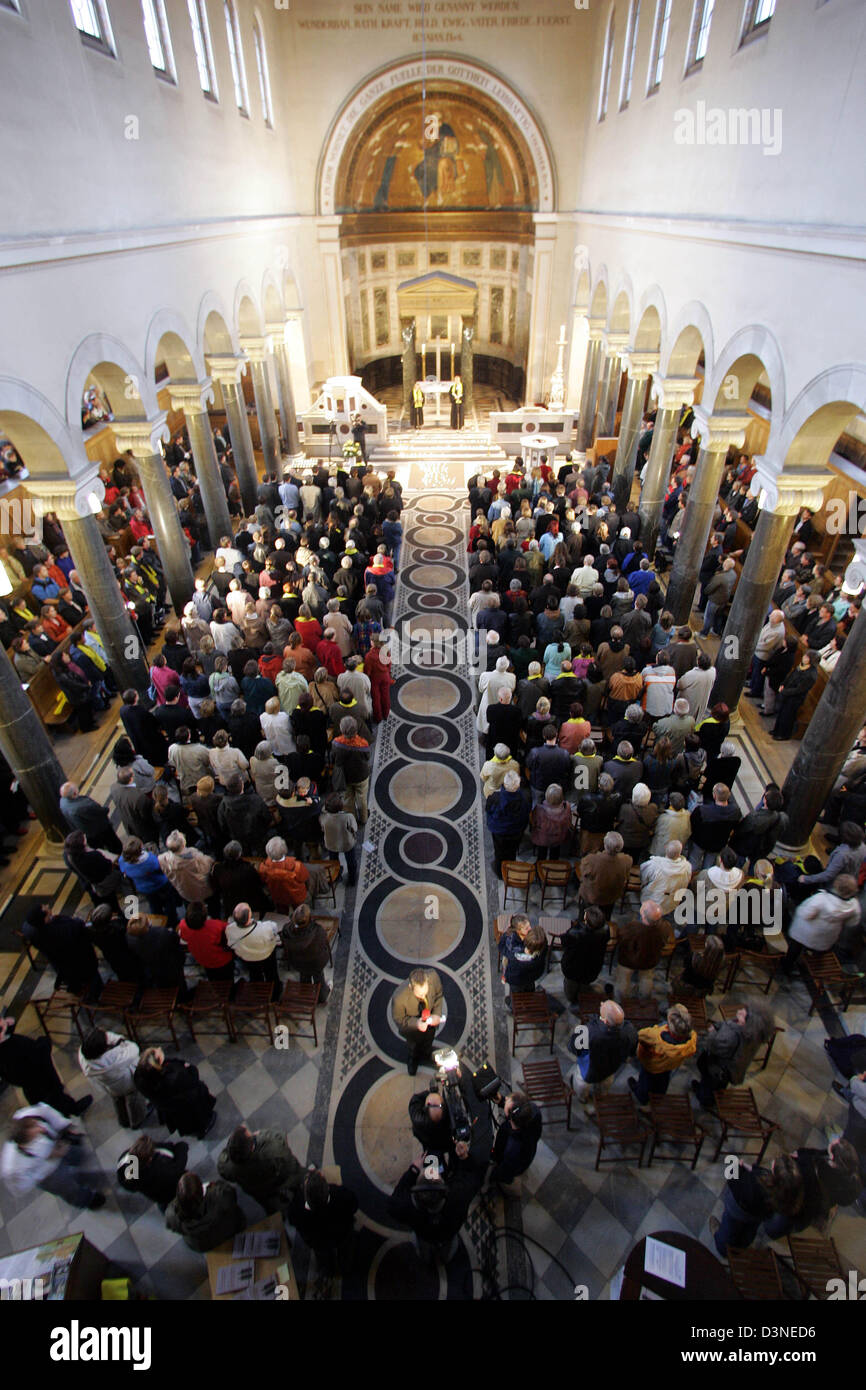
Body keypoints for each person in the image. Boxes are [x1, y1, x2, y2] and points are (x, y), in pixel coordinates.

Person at [1, 1104, 105, 1209]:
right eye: (35, 1135)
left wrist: (65, 1127)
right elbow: (21, 1187)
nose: (41, 1129)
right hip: (49, 1175)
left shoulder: (30, 1114)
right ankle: (87, 1200)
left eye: (36, 1124)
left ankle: (81, 1176)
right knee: (68, 1189)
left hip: (60, 1146)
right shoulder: (11, 1168)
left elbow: (48, 1112)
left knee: (79, 1157)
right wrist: (48, 1159)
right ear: (23, 1143)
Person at [388, 1146, 480, 1264]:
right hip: (447, 1235)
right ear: (444, 1190)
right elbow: (473, 1177)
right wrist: (464, 1159)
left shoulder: (407, 1207)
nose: (433, 1172)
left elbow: (391, 1205)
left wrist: (413, 1171)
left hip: (425, 1236)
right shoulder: (458, 1197)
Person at [710, 1155, 804, 1257]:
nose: (772, 1163)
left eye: (774, 1164)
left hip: (739, 1210)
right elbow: (762, 1173)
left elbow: (734, 1183)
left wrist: (736, 1167)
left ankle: (722, 1248)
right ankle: (742, 1245)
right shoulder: (785, 1196)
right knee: (749, 1230)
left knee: (729, 1229)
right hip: (759, 1215)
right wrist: (753, 1169)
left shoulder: (753, 1185)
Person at [0, 1014, 91, 1117]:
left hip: (33, 1083)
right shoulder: (10, 1052)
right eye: (3, 1024)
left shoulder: (4, 1043)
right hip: (39, 1079)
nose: (5, 1021)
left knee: (50, 1100)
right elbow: (38, 1057)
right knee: (56, 1097)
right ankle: (72, 1110)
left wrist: (10, 1026)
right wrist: (44, 1042)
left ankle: (65, 1111)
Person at [691, 1003, 775, 1107]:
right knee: (719, 1085)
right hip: (733, 1069)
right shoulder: (754, 1034)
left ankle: (704, 1099)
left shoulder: (732, 1036)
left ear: (746, 1022)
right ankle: (713, 1095)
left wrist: (713, 1032)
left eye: (742, 1014)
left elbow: (713, 1046)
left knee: (708, 1084)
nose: (739, 1011)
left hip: (718, 1068)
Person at [781, 874, 861, 974]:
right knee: (817, 952)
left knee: (794, 949)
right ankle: (809, 968)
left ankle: (787, 967)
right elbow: (852, 922)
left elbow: (804, 914)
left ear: (836, 884)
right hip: (826, 937)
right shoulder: (854, 905)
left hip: (805, 933)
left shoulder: (821, 899)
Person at [217, 1124, 304, 1214]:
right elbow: (280, 1137)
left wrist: (233, 1148)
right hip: (282, 1182)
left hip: (261, 1193)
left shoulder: (229, 1168)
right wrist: (261, 1135)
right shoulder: (272, 1151)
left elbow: (222, 1164)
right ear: (252, 1147)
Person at [133, 1046, 216, 1139]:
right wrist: (188, 1066)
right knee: (197, 1114)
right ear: (158, 1062)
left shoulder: (139, 1077)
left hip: (167, 1106)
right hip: (186, 1102)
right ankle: (203, 1128)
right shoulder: (174, 1076)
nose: (160, 1048)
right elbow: (193, 1077)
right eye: (157, 1051)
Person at [287, 1168, 359, 1273]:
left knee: (323, 1257)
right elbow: (354, 1205)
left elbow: (292, 1220)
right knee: (346, 1252)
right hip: (341, 1235)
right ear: (327, 1188)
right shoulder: (340, 1196)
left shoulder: (298, 1208)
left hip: (318, 1243)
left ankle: (327, 1270)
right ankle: (345, 1267)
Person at [568, 999, 637, 1103]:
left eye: (602, 1006)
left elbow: (573, 1047)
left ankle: (583, 1098)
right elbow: (632, 1050)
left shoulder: (589, 1031)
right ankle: (600, 1097)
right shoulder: (630, 1031)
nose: (601, 1003)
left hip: (590, 1069)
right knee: (605, 1084)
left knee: (581, 1084)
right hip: (611, 1067)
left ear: (605, 1021)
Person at [78, 1028, 147, 1128]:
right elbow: (134, 1049)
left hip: (111, 1087)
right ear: (104, 1048)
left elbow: (107, 1037)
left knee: (118, 1100)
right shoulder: (113, 1059)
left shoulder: (83, 1054)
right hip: (127, 1084)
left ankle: (123, 1120)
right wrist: (121, 1041)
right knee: (135, 1099)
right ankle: (137, 1120)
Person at [629, 1003, 697, 1104]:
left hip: (651, 1066)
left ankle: (642, 1098)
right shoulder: (692, 1037)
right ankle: (659, 1097)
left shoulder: (654, 1037)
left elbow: (638, 1036)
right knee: (663, 1082)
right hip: (669, 1066)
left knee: (645, 1083)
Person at [166, 1171, 245, 1253]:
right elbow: (232, 1196)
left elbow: (172, 1226)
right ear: (201, 1189)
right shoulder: (219, 1196)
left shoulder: (171, 1214)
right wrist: (216, 1185)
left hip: (202, 1245)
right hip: (228, 1231)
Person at [392, 968, 445, 1075]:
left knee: (429, 1038)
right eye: (420, 995)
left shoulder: (433, 977)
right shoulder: (399, 998)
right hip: (412, 1028)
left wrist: (436, 1014)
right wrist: (416, 1023)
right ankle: (413, 1058)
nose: (424, 997)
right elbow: (399, 1020)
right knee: (414, 1044)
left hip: (429, 1020)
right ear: (411, 987)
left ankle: (426, 1052)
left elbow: (439, 995)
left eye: (425, 993)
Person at [116, 1134, 188, 1211]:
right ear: (150, 1159)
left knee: (164, 1204)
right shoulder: (164, 1167)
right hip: (171, 1190)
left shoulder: (124, 1162)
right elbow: (180, 1149)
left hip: (156, 1196)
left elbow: (126, 1184)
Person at [616, 900, 672, 998]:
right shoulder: (665, 927)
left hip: (629, 961)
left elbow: (621, 937)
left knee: (623, 979)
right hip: (650, 960)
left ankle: (622, 998)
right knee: (646, 979)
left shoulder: (633, 928)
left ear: (643, 915)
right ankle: (644, 998)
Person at [489, 1092, 542, 1188]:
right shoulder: (534, 1112)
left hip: (515, 1165)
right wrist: (501, 1101)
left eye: (506, 1101)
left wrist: (494, 1175)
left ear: (511, 1120)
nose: (505, 1100)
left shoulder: (513, 1147)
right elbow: (517, 1110)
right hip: (528, 1155)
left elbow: (505, 1173)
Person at [225, 903, 282, 989]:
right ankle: (275, 990)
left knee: (255, 973)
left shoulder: (230, 930)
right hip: (267, 955)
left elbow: (231, 944)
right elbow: (275, 931)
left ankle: (258, 989)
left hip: (248, 958)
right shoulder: (266, 928)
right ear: (249, 915)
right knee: (271, 972)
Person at [282, 904, 331, 1002]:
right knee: (319, 979)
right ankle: (321, 997)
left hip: (298, 962)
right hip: (316, 963)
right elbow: (323, 945)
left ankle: (306, 994)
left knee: (304, 976)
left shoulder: (287, 931)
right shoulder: (318, 931)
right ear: (309, 919)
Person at [485, 769, 529, 877]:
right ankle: (510, 870)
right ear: (518, 785)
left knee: (499, 851)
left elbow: (488, 809)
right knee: (512, 851)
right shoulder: (525, 798)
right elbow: (526, 813)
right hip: (516, 830)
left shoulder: (495, 798)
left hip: (499, 830)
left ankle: (500, 872)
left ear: (504, 784)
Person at [58, 781, 122, 854]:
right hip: (99, 829)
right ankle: (118, 854)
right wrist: (106, 809)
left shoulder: (62, 801)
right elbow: (101, 812)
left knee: (97, 846)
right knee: (113, 843)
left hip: (86, 831)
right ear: (75, 793)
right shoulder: (84, 806)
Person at [178, 902, 234, 982]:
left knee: (212, 979)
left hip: (203, 960)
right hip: (222, 961)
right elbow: (230, 929)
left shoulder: (183, 926)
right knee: (228, 981)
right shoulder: (215, 926)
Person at [498, 917, 547, 1007]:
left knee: (516, 996)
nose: (530, 929)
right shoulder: (542, 947)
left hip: (517, 979)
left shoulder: (518, 959)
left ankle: (514, 1007)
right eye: (527, 928)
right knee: (528, 990)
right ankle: (527, 1002)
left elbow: (511, 968)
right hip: (530, 976)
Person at [579, 831, 633, 913]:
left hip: (593, 895)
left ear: (605, 845)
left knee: (586, 914)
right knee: (606, 914)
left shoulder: (591, 860)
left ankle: (583, 922)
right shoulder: (627, 860)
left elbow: (583, 872)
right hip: (611, 896)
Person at [257, 836, 310, 910]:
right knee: (299, 911)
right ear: (284, 849)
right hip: (296, 896)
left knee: (282, 914)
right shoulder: (296, 866)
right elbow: (305, 878)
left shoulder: (263, 867)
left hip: (278, 896)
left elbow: (263, 881)